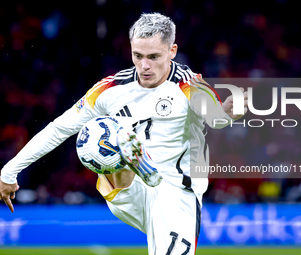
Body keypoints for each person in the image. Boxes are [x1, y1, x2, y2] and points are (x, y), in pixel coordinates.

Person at [0, 13, 247, 254]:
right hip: (129, 186)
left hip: (177, 193)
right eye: (137, 56)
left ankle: (134, 153)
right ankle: (133, 157)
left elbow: (215, 117)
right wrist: (9, 171)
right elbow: (59, 128)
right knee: (102, 137)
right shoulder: (111, 88)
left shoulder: (188, 85)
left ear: (172, 52)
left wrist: (226, 114)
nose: (144, 66)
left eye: (153, 56)